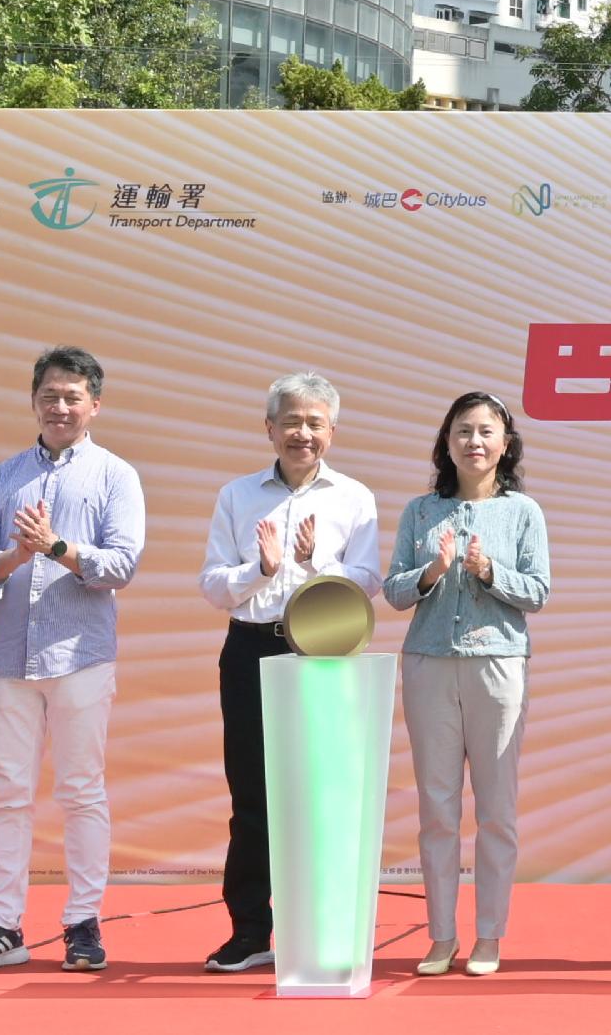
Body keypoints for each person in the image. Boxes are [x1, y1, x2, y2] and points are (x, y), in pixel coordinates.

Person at [0, 346, 145, 979]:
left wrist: (56, 547)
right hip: (8, 659)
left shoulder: (116, 476)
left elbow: (122, 565)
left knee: (82, 791)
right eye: (50, 395)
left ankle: (82, 923)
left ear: (95, 406)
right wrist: (16, 553)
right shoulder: (2, 478)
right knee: (7, 796)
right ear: (33, 401)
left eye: (73, 397)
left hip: (81, 657)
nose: (60, 407)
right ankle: (4, 925)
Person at [195, 372, 383, 975]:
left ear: (332, 430)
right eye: (292, 421)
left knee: (323, 791)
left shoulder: (354, 497)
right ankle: (250, 930)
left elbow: (369, 583)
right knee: (252, 793)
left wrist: (313, 564)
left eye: (315, 422)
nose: (303, 433)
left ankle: (324, 928)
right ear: (269, 428)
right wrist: (261, 567)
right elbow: (212, 584)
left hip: (323, 652)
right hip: (250, 648)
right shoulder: (238, 495)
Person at [388, 390, 551, 977]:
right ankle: (439, 936)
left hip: (498, 665)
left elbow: (538, 591)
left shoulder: (523, 512)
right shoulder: (421, 511)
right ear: (446, 442)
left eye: (486, 432)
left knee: (497, 808)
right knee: (436, 807)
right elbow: (394, 590)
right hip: (428, 663)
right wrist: (432, 571)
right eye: (463, 431)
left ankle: (488, 935)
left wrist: (489, 572)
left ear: (505, 445)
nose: (474, 443)